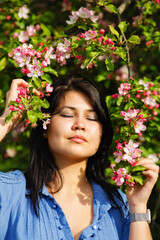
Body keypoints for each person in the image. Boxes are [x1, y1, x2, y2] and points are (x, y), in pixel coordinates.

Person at [0, 76, 159, 240]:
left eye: (91, 118)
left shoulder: (120, 205)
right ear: (45, 126)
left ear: (101, 134)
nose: (80, 125)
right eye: (67, 114)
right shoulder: (13, 193)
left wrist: (138, 208)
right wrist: (6, 120)